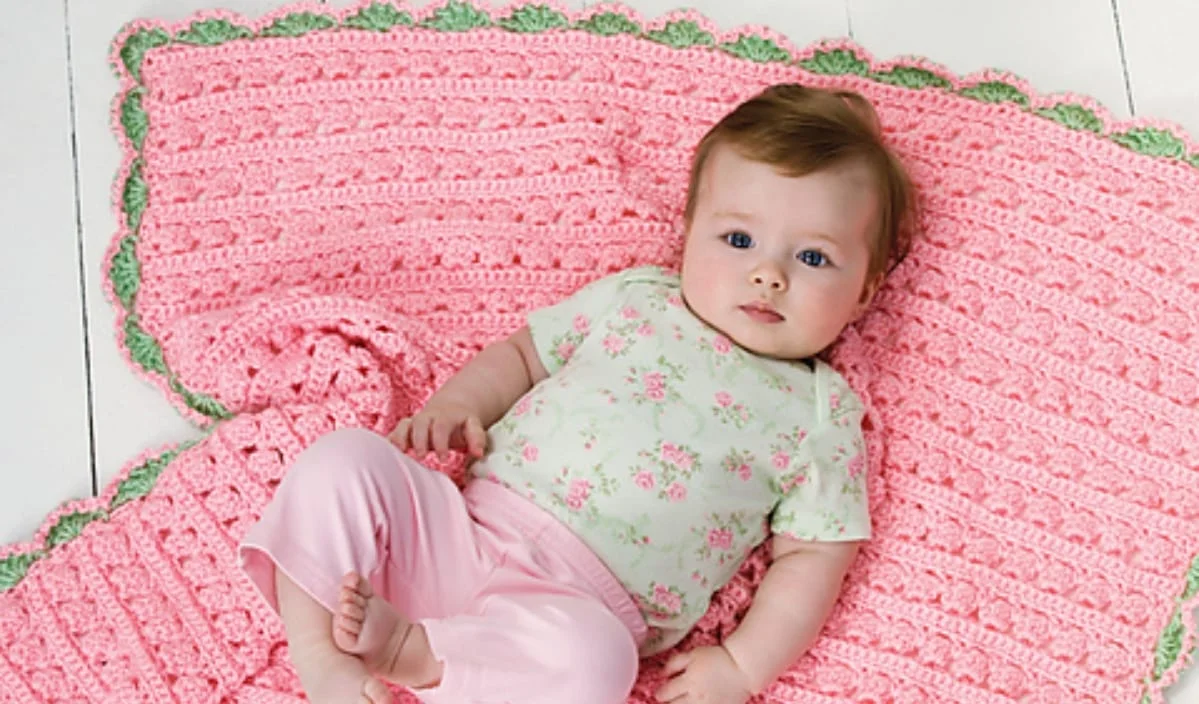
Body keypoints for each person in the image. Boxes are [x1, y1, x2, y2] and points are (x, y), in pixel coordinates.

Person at [239, 83, 914, 704]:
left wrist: (741, 665)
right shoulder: (637, 299)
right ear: (686, 235)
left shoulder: (818, 415)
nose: (766, 274)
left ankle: (424, 660)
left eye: (813, 258)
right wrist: (459, 405)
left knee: (600, 664)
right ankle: (324, 660)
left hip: (568, 610)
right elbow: (525, 355)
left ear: (865, 289)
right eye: (738, 239)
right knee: (346, 460)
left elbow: (813, 557)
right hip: (460, 530)